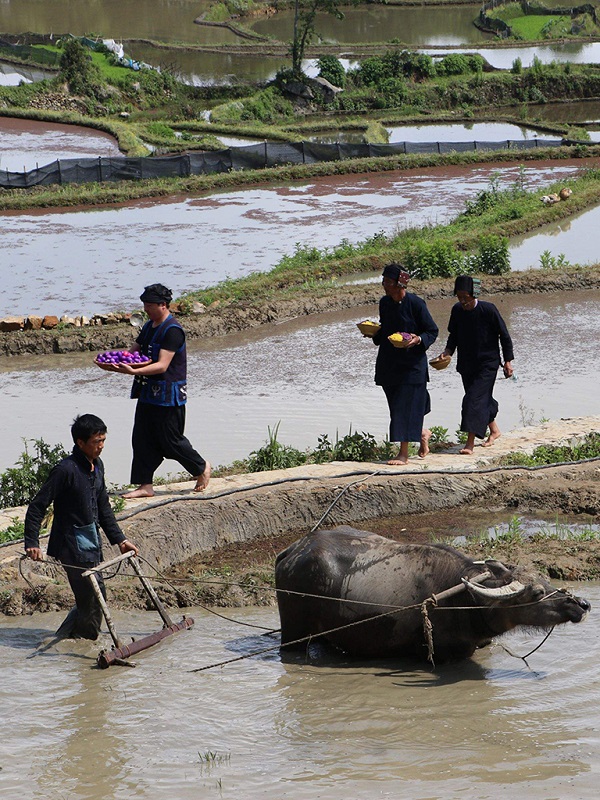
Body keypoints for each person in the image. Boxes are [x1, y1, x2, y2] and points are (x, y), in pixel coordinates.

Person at [24, 414, 139, 640]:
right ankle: (85, 643)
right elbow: (37, 506)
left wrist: (121, 540)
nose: (102, 446)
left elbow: (103, 507)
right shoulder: (66, 470)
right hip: (70, 544)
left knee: (93, 597)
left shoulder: (97, 466)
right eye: (97, 442)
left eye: (103, 440)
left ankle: (68, 637)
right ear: (80, 443)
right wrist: (32, 543)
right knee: (93, 597)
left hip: (90, 541)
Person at [113, 283, 210, 498]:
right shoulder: (149, 326)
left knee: (171, 439)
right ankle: (145, 485)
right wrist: (118, 359)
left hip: (168, 396)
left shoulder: (173, 331)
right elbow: (134, 352)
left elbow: (162, 365)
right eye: (144, 305)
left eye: (149, 305)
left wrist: (132, 372)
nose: (146, 309)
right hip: (148, 392)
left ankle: (201, 468)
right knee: (141, 438)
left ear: (163, 305)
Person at [439, 275, 514, 455]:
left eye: (466, 296)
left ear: (474, 294)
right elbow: (453, 336)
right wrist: (447, 352)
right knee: (481, 399)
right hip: (466, 364)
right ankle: (495, 431)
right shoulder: (457, 310)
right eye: (459, 297)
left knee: (472, 400)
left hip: (488, 364)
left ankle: (470, 443)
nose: (463, 301)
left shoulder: (489, 310)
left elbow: (504, 336)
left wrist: (508, 361)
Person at [371, 264, 439, 465]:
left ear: (400, 283)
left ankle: (403, 454)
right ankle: (422, 433)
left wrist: (417, 340)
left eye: (388, 282)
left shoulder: (416, 304)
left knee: (403, 407)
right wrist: (374, 332)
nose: (385, 285)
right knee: (396, 408)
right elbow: (385, 332)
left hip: (412, 366)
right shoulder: (385, 303)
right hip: (389, 364)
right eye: (383, 281)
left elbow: (431, 331)